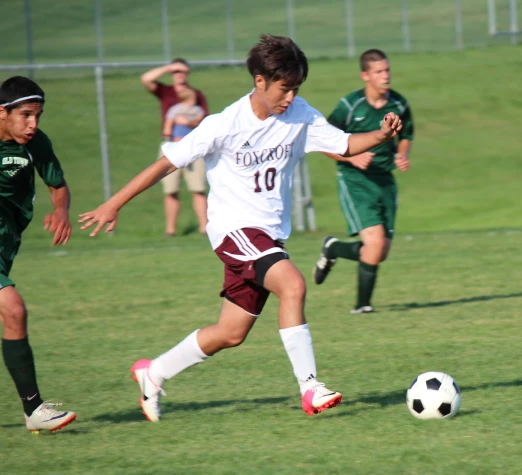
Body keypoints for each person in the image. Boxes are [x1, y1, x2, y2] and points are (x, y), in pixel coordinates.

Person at [79, 35, 403, 422]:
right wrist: (114, 203)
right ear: (260, 80)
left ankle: (155, 372)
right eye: (285, 88)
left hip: (268, 235)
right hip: (236, 231)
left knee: (231, 333)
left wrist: (381, 136)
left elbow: (346, 143)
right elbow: (167, 163)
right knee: (293, 285)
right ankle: (310, 388)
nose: (290, 96)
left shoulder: (300, 114)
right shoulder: (224, 124)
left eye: (297, 88)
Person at [0, 76, 76, 433]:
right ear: (2, 112)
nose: (33, 124)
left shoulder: (36, 144)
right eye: (26, 115)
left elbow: (57, 185)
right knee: (14, 309)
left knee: (10, 315)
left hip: (3, 242)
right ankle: (34, 410)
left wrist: (61, 212)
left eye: (38, 116)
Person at [312, 49, 414, 314]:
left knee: (380, 250)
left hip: (385, 180)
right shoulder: (350, 106)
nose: (385, 76)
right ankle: (362, 306)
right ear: (365, 76)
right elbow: (321, 139)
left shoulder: (399, 104)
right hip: (355, 179)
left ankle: (333, 248)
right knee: (375, 242)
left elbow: (406, 134)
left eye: (387, 70)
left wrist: (402, 155)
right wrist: (350, 159)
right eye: (379, 72)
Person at [141, 58, 210, 236]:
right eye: (176, 71)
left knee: (198, 188)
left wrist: (187, 122)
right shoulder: (166, 92)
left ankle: (205, 227)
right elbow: (146, 79)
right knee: (170, 189)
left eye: (183, 71)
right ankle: (170, 230)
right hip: (171, 144)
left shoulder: (197, 94)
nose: (180, 74)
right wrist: (168, 67)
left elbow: (206, 122)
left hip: (194, 145)